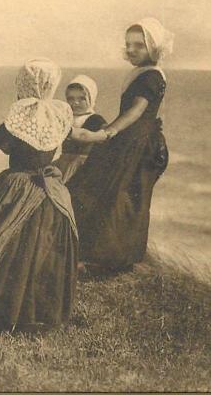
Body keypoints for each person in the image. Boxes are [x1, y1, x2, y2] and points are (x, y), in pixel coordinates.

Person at [0, 58, 107, 332]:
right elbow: (83, 135)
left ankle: (0, 311)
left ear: (26, 84)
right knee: (41, 252)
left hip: (15, 188)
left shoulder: (18, 120)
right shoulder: (60, 116)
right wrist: (111, 133)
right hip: (50, 191)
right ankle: (34, 314)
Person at [67, 18, 172, 273]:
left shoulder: (151, 76)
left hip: (136, 144)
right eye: (128, 44)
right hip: (129, 139)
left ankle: (111, 260)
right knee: (108, 194)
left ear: (154, 47)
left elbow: (136, 111)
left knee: (120, 199)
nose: (132, 50)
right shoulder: (143, 73)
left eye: (140, 45)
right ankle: (99, 256)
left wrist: (106, 132)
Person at [53, 75, 107, 183]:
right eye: (71, 99)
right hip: (63, 164)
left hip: (83, 166)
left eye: (82, 99)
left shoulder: (96, 120)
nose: (75, 103)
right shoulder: (66, 118)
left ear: (91, 98)